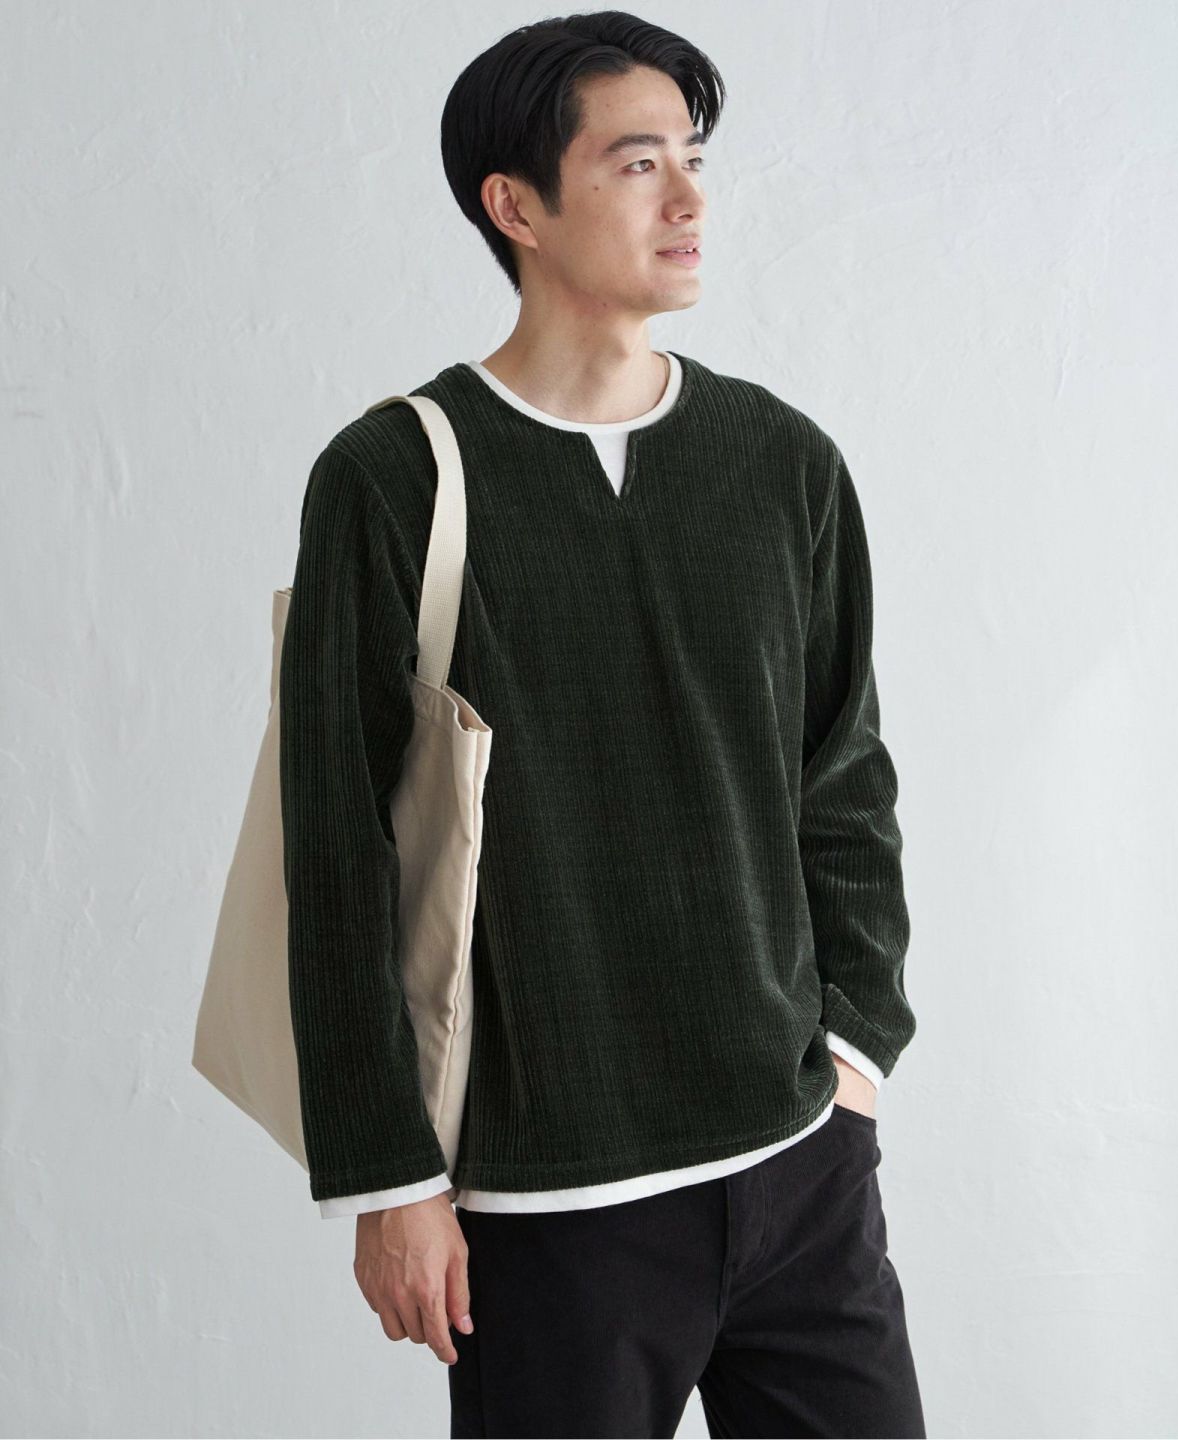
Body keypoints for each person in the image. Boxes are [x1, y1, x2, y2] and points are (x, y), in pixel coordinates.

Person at [278, 10, 925, 1437]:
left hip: (801, 1173)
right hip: (544, 1210)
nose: (688, 198)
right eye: (638, 164)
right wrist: (392, 1181)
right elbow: (334, 851)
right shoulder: (395, 477)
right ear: (515, 206)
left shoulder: (783, 464)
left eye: (694, 158)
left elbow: (842, 780)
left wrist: (856, 1055)